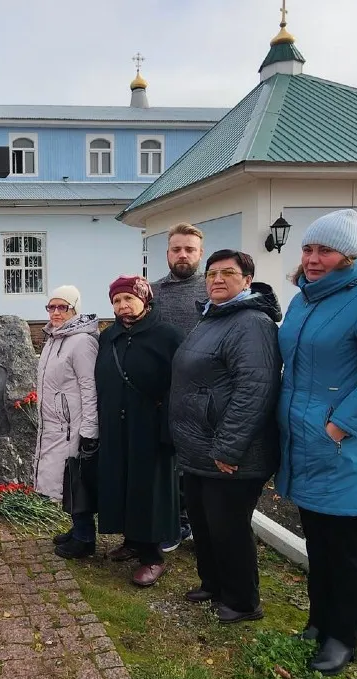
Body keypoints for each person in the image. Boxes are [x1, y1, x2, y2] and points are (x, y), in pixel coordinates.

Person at [276, 209, 357, 676]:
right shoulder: (305, 298)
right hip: (306, 439)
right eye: (308, 249)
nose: (313, 259)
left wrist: (338, 425)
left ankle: (343, 638)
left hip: (344, 445)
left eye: (325, 251)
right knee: (318, 540)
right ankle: (319, 622)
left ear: (349, 256)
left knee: (347, 547)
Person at [169, 250, 282, 624]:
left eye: (228, 273)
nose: (217, 279)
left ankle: (243, 601)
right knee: (204, 522)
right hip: (201, 446)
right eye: (211, 273)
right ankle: (214, 584)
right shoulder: (213, 317)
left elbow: (255, 389)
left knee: (228, 527)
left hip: (231, 452)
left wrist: (229, 447)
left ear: (247, 281)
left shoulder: (252, 324)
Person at [95, 276, 184, 587]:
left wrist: (168, 427)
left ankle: (153, 556)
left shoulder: (168, 336)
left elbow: (179, 385)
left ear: (145, 300)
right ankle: (131, 540)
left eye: (128, 299)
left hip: (150, 424)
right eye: (116, 301)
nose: (122, 306)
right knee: (122, 481)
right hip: (116, 423)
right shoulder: (110, 337)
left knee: (149, 488)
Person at [28, 285, 99, 559]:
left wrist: (89, 430)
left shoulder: (81, 342)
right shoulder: (55, 337)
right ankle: (77, 528)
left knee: (74, 480)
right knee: (64, 480)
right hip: (56, 423)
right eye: (52, 307)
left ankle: (85, 537)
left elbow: (89, 387)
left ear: (74, 309)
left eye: (63, 307)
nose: (56, 312)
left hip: (73, 425)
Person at [151, 222, 206, 553]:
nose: (183, 254)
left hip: (203, 392)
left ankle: (197, 522)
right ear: (168, 253)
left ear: (200, 253)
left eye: (189, 249)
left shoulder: (212, 289)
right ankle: (173, 521)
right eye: (176, 249)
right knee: (168, 462)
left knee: (196, 461)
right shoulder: (153, 292)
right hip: (163, 391)